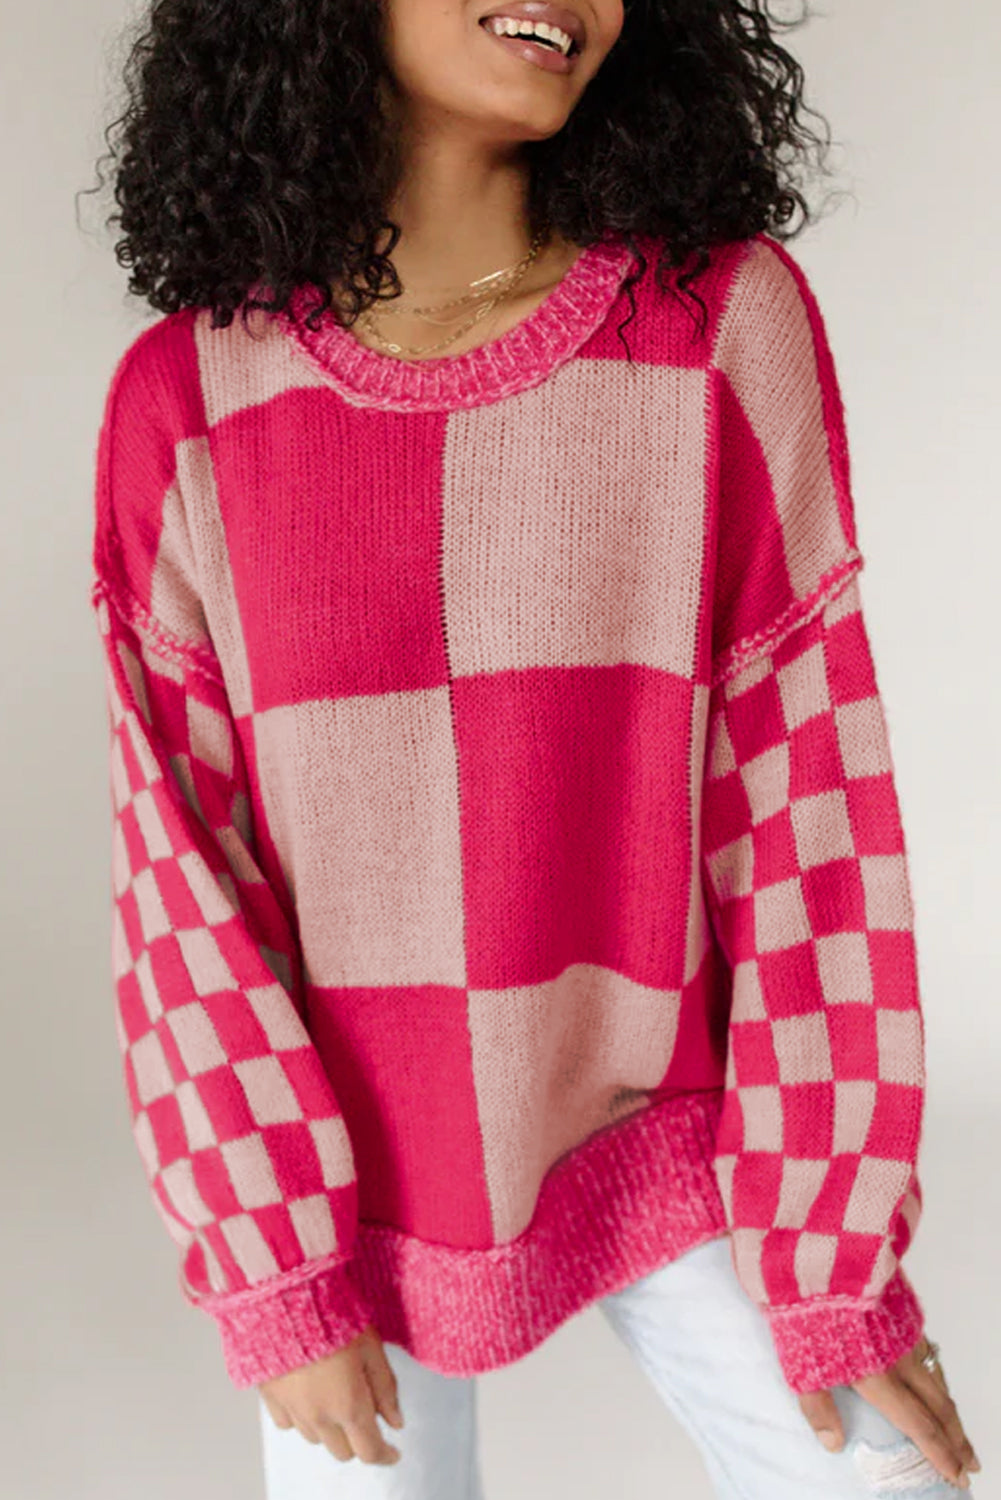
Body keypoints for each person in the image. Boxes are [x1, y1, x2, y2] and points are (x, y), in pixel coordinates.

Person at [85, 0, 981, 1495]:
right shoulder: (188, 397)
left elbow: (802, 800)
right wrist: (272, 1269)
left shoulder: (716, 324)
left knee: (887, 1477)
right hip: (350, 1171)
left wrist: (832, 1262)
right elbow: (185, 873)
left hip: (673, 1123)